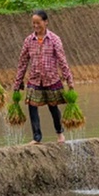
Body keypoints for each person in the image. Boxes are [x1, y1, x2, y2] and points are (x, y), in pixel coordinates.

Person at [13, 9, 75, 144]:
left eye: (38, 23)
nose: (35, 26)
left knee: (53, 107)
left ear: (46, 22)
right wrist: (17, 83)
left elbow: (62, 61)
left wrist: (69, 81)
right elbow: (23, 62)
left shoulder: (54, 39)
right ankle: (37, 137)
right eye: (33, 23)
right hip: (34, 78)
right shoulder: (29, 40)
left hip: (51, 78)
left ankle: (60, 133)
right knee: (32, 106)